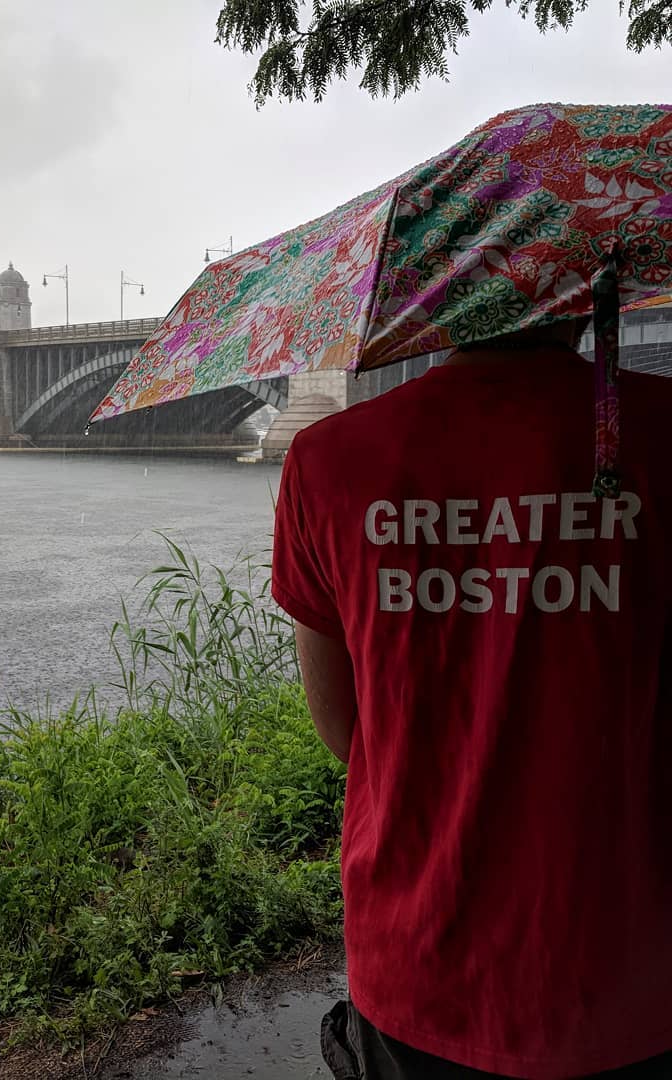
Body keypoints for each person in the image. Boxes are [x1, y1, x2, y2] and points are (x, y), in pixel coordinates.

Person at [271, 320, 672, 1079]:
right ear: (582, 277)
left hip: (418, 960)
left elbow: (343, 727)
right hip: (639, 968)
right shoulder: (656, 433)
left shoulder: (328, 459)